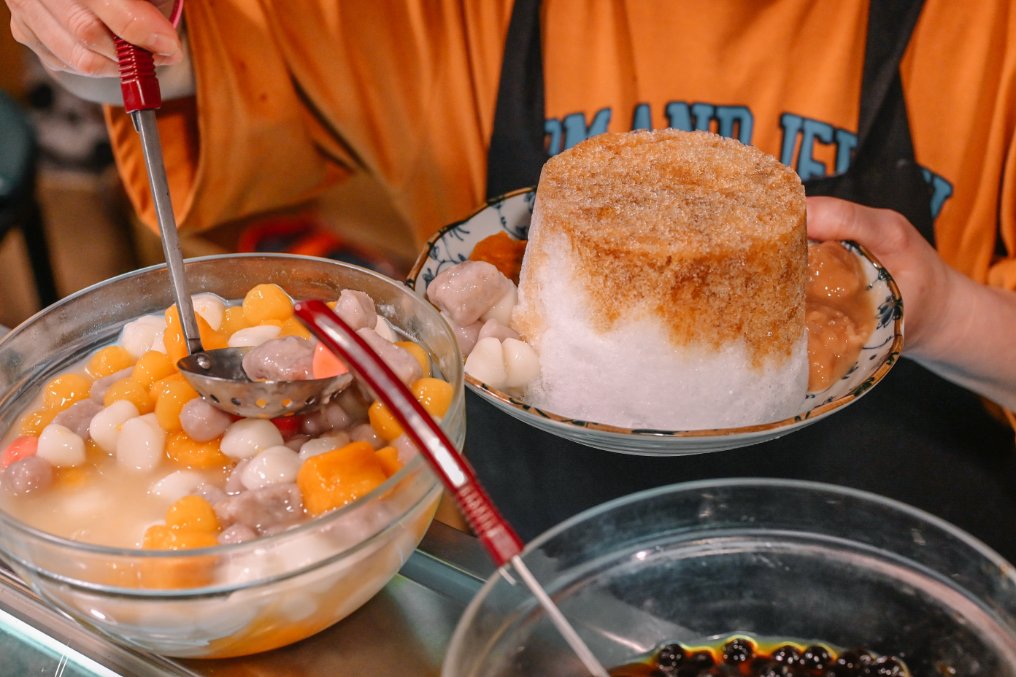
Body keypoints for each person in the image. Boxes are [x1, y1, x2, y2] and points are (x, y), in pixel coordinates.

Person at [8, 1, 1016, 561]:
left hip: (910, 570)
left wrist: (936, 307)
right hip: (526, 568)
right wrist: (95, 24)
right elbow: (184, 55)